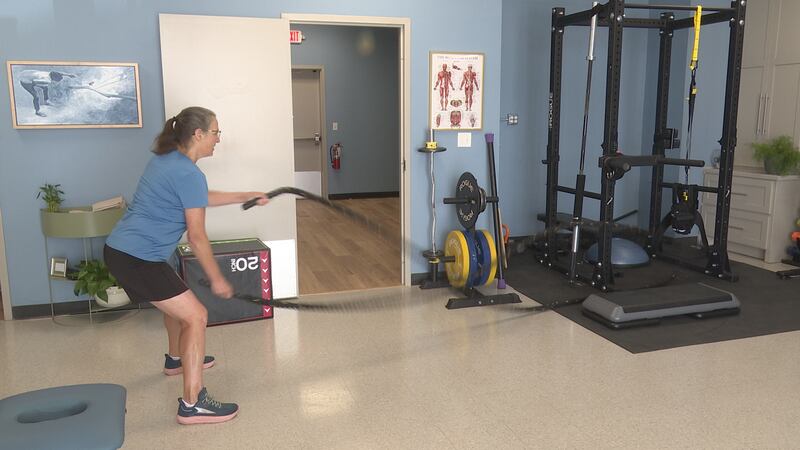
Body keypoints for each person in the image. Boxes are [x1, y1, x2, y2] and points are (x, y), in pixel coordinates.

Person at [104, 106, 268, 425]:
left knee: (176, 308)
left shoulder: (167, 160)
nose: (218, 139)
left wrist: (245, 195)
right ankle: (193, 404)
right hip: (138, 259)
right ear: (199, 134)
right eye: (216, 132)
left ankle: (175, 360)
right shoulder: (187, 172)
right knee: (196, 316)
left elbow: (197, 195)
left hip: (125, 251)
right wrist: (216, 277)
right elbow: (197, 237)